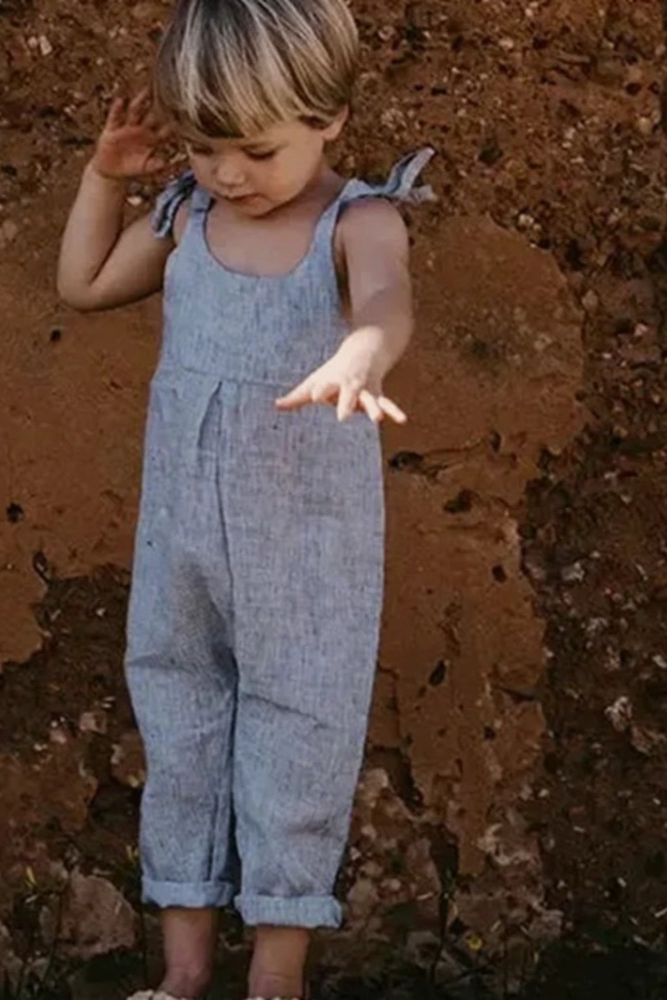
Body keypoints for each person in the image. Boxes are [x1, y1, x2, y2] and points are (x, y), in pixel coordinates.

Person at [57, 0, 433, 996]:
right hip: (180, 545)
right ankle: (182, 975)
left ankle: (277, 974)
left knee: (296, 740)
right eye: (207, 145)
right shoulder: (186, 215)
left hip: (305, 557)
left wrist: (361, 347)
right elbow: (85, 284)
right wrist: (106, 176)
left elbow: (387, 296)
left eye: (257, 150)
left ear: (329, 118)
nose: (230, 173)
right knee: (177, 726)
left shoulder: (358, 219)